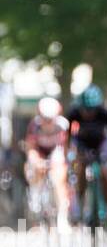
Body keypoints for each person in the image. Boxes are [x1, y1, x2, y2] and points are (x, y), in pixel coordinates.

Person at [66, 85, 107, 226]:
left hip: (101, 144)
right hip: (82, 144)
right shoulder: (74, 113)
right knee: (80, 169)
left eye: (92, 110)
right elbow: (68, 137)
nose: (89, 113)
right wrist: (69, 154)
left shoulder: (103, 113)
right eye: (86, 110)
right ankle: (80, 201)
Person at [24, 97, 69, 226]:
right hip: (40, 151)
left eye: (50, 119)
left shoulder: (63, 125)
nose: (47, 122)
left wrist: (62, 163)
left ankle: (62, 217)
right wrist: (36, 161)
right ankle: (35, 193)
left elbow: (64, 148)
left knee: (58, 179)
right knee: (34, 167)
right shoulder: (34, 125)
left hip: (55, 151)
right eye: (45, 118)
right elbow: (31, 147)